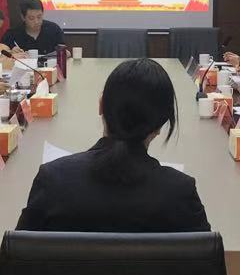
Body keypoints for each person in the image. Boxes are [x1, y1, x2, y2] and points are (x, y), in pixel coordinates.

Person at [17, 57, 210, 232]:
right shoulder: (180, 193)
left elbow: (18, 253)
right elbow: (207, 257)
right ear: (161, 124)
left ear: (101, 105)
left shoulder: (53, 181)